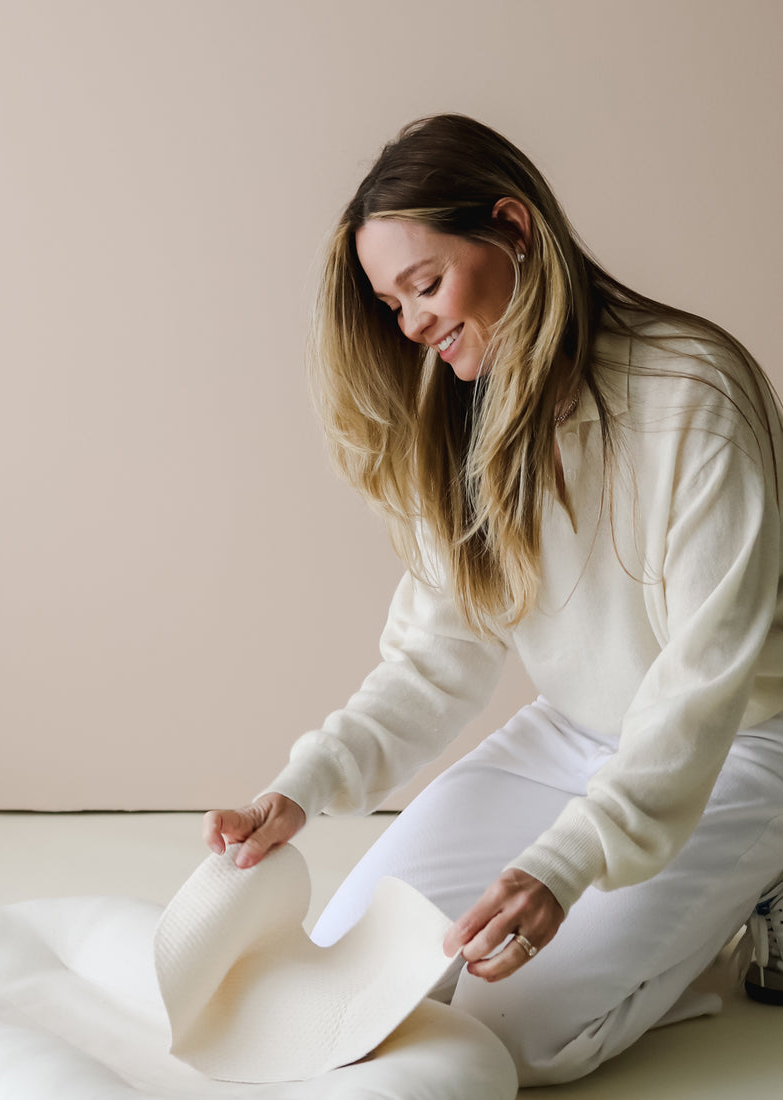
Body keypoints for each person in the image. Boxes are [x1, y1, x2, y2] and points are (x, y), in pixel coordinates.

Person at [202, 113, 783, 1086]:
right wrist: (301, 786)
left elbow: (700, 682)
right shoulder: (467, 419)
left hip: (743, 738)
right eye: (392, 304)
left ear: (512, 229)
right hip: (574, 731)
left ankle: (759, 875)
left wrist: (565, 862)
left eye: (425, 285)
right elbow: (434, 661)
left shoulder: (694, 393)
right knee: (355, 977)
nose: (411, 326)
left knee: (512, 1034)